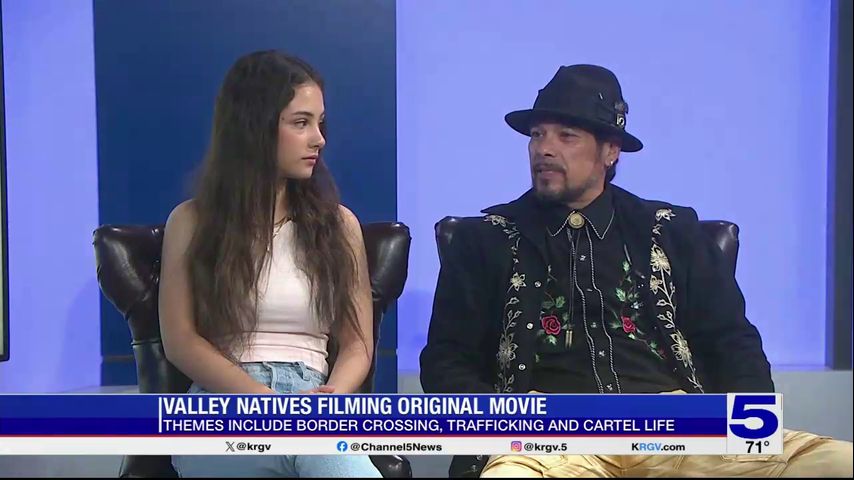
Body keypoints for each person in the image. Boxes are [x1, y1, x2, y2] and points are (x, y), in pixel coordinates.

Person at [420, 64, 852, 478]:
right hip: (547, 432)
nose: (543, 149)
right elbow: (447, 360)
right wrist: (505, 423)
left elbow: (732, 342)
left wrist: (749, 435)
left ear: (610, 151)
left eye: (566, 136)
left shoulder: (672, 230)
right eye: (537, 135)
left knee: (838, 464)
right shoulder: (486, 239)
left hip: (678, 426)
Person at [159, 50, 380, 477]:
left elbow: (358, 344)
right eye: (301, 123)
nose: (319, 139)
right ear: (254, 128)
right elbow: (181, 340)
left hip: (313, 401)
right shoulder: (191, 221)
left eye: (320, 123)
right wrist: (262, 401)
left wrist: (332, 397)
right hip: (223, 403)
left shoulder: (340, 226)